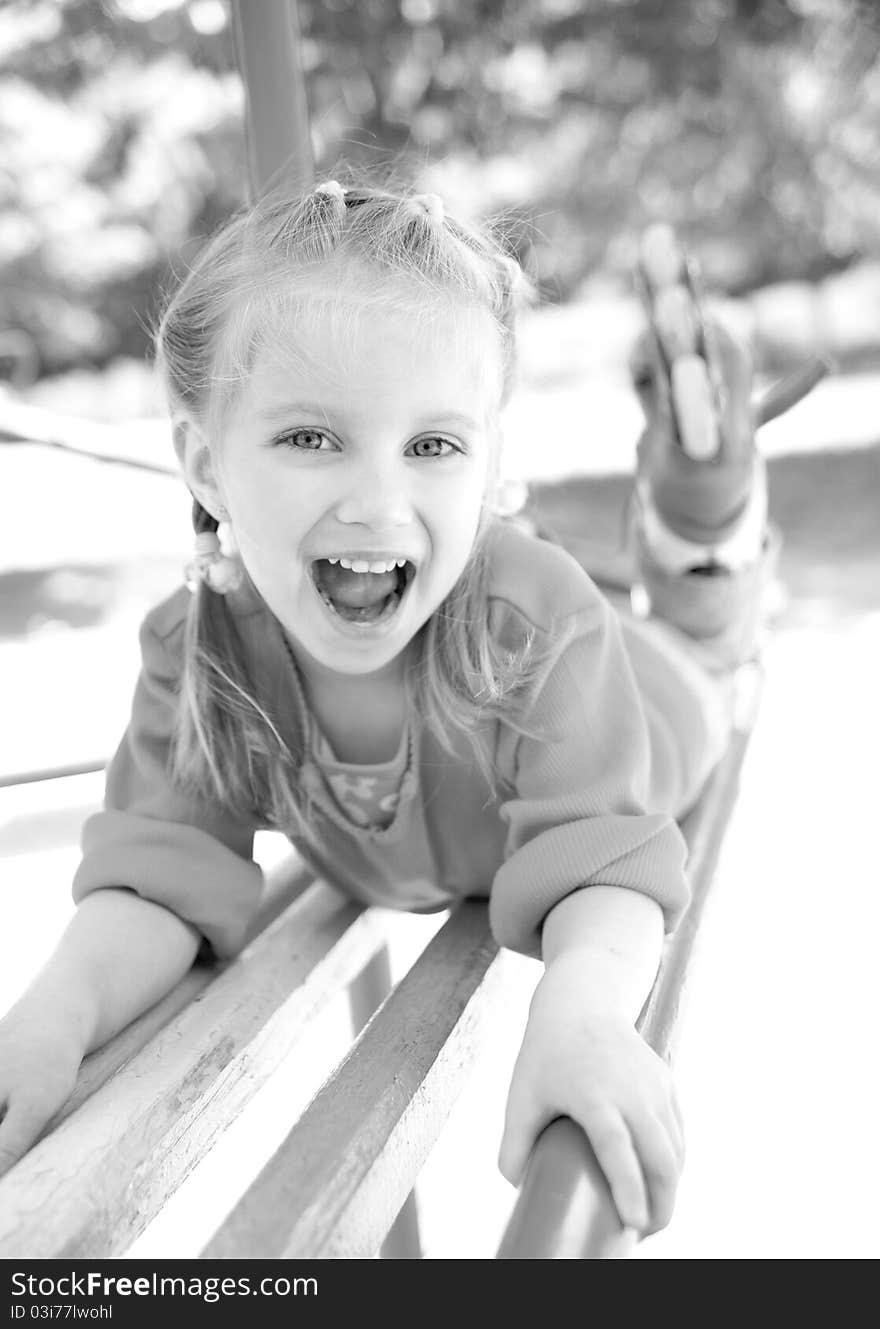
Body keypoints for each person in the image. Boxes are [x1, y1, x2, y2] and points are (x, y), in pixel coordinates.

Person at [0, 182, 776, 1240]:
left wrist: (583, 1015)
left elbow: (602, 862)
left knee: (702, 607)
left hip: (658, 692)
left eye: (432, 446)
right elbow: (157, 881)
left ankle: (706, 476)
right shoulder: (198, 653)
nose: (375, 501)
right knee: (559, 576)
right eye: (312, 438)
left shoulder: (537, 621)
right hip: (509, 625)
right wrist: (56, 1012)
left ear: (488, 458)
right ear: (201, 462)